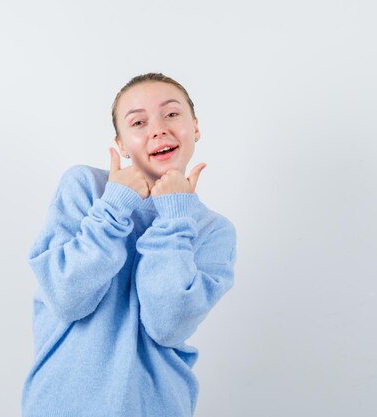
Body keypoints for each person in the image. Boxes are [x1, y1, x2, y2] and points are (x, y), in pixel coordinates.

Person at [21, 73, 238, 417]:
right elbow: (66, 297)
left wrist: (174, 217)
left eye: (171, 114)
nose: (158, 129)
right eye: (138, 121)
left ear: (195, 127)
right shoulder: (86, 188)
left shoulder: (213, 230)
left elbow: (168, 324)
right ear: (121, 144)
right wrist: (114, 205)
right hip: (62, 404)